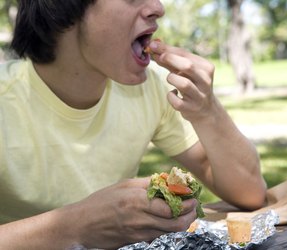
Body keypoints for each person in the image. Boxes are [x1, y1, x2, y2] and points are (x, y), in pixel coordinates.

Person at [0, 0, 267, 249]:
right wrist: (76, 226)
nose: (157, 8)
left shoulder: (154, 88)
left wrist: (208, 111)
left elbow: (249, 192)